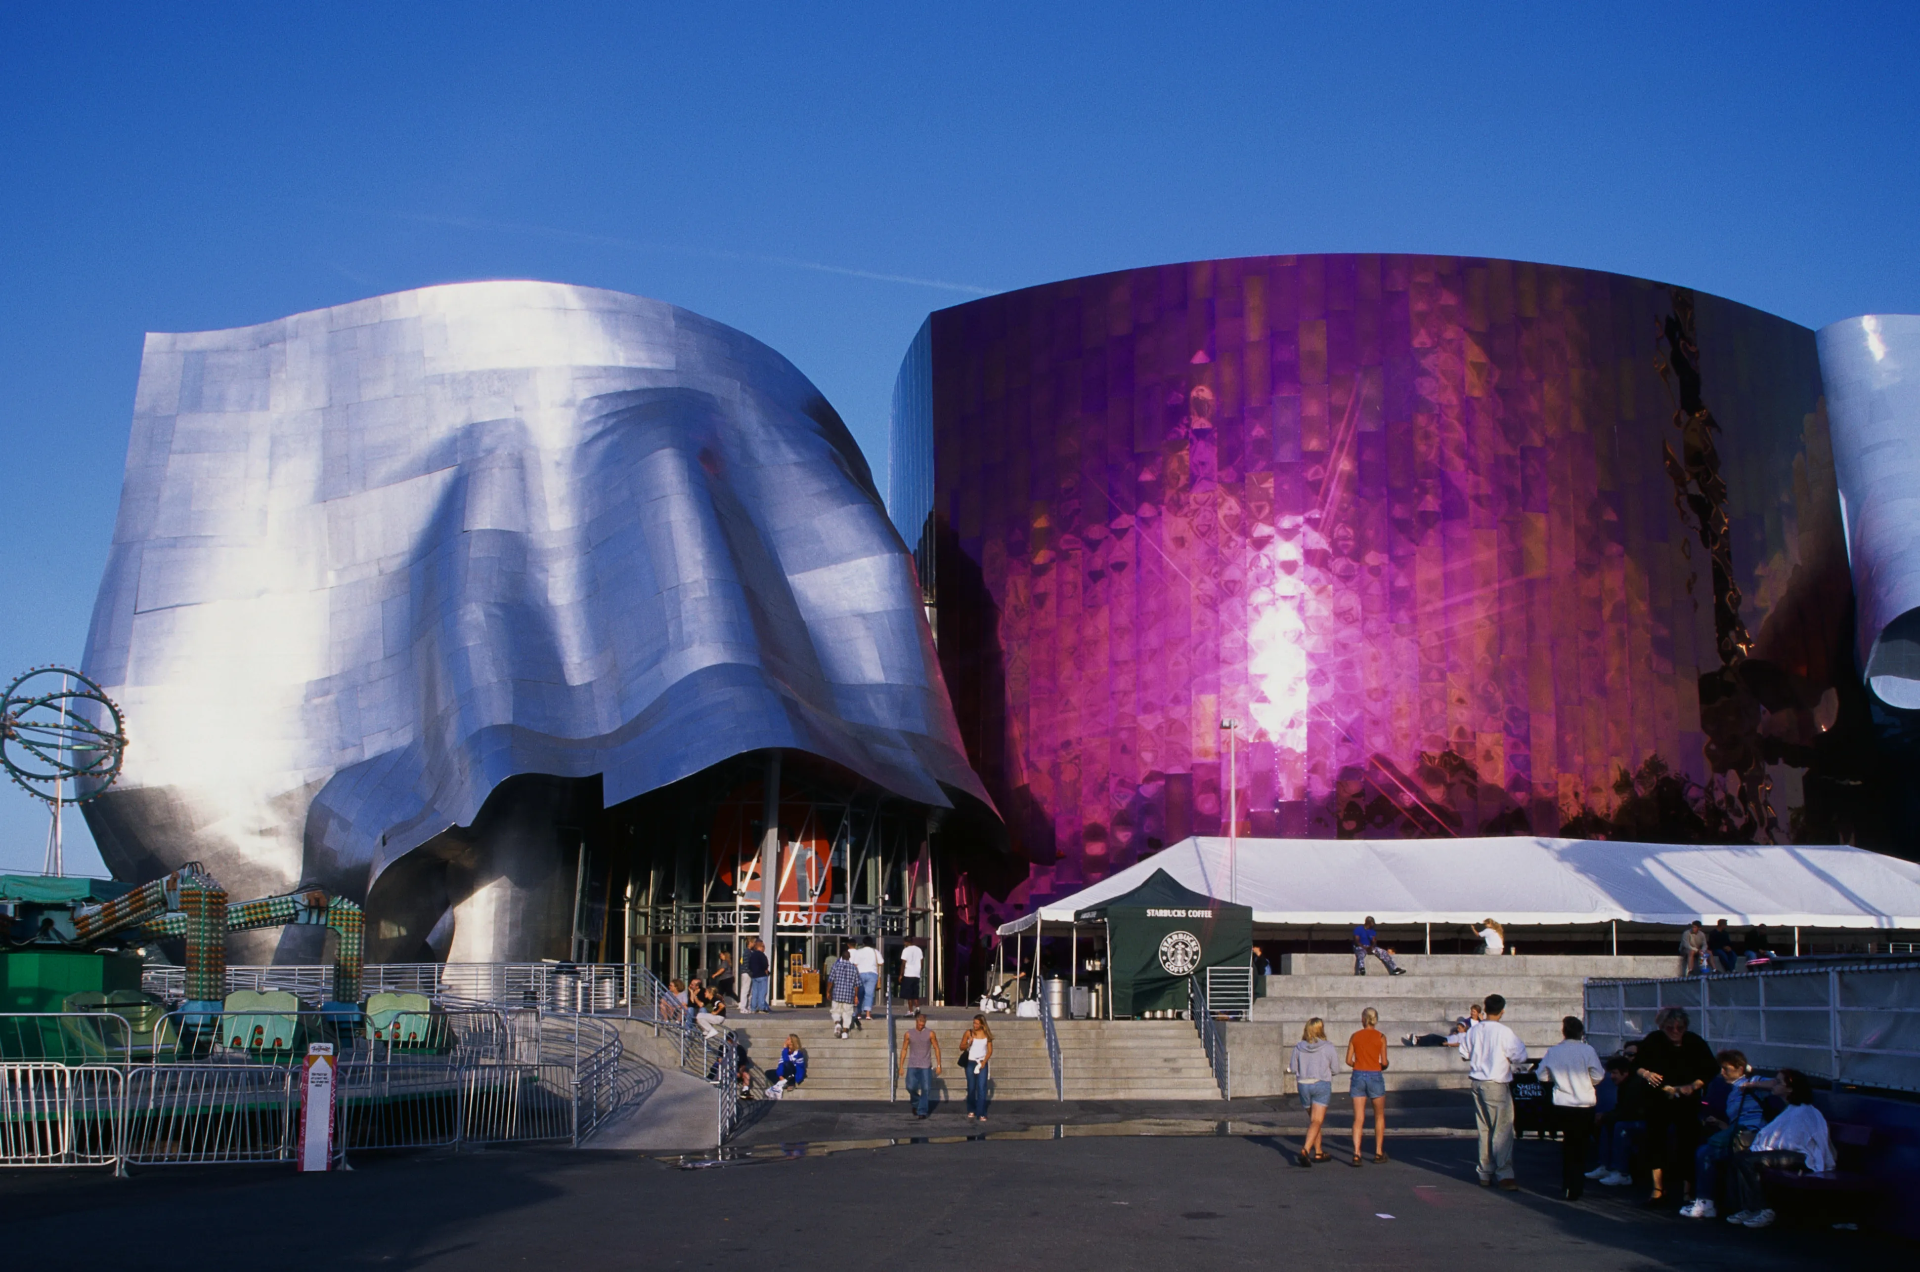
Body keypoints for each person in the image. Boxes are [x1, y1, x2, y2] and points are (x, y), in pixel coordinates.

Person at [1724, 1068, 1835, 1229]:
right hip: (1789, 1153)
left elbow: (1797, 1142)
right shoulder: (1790, 1109)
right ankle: (1749, 1208)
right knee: (1741, 1157)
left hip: (1802, 1157)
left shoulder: (1804, 1111)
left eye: (1778, 1082)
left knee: (1748, 1159)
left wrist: (1767, 1147)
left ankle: (1764, 1209)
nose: (1773, 1084)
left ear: (1790, 1088)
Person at [1634, 1005, 1717, 1207]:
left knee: (1688, 1143)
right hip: (1657, 1100)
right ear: (1662, 1026)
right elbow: (1636, 1065)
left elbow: (1711, 1069)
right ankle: (1658, 1191)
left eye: (1680, 1027)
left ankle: (1688, 1192)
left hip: (1686, 1101)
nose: (1675, 1031)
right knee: (1655, 1143)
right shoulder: (1653, 1040)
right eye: (1670, 1027)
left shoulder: (1695, 1042)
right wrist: (1646, 1074)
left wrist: (1693, 1086)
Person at [1680, 1050, 1770, 1219]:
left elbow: (1776, 1084)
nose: (1722, 1073)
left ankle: (1706, 1202)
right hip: (1737, 1133)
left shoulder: (1752, 1082)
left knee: (1705, 1153)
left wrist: (1751, 1085)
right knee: (1703, 1147)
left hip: (1752, 1135)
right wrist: (1721, 1124)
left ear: (1740, 1069)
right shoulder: (1732, 1092)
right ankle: (1706, 1200)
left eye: (1726, 1069)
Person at [1458, 993, 1527, 1189]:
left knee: (1485, 1128)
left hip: (1477, 1081)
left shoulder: (1475, 1030)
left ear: (1484, 1009)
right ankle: (1504, 1172)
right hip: (1496, 1081)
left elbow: (1463, 1053)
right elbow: (1520, 1056)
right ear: (1502, 1011)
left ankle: (1484, 1171)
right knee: (1503, 1130)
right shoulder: (1504, 1032)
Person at [1537, 1016, 1605, 1200]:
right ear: (1581, 1032)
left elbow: (1541, 1075)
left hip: (1563, 1102)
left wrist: (1554, 1080)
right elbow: (1599, 1075)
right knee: (1580, 1145)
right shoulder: (1588, 1050)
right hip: (1584, 1103)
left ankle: (1567, 1183)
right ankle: (1577, 1186)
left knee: (1568, 1144)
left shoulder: (1554, 1051)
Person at [1589, 1055, 1649, 1186]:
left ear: (1625, 1072)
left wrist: (1605, 1116)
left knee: (1621, 1127)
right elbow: (1621, 1109)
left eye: (1615, 1073)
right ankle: (1605, 1166)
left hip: (1646, 1122)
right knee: (1607, 1124)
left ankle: (1622, 1173)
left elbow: (1630, 1112)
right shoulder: (1624, 1085)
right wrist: (1604, 1117)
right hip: (1634, 1118)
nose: (1612, 1077)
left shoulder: (1635, 1085)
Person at [1288, 1017, 1340, 1167]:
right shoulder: (1328, 1047)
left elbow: (1293, 1067)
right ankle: (1305, 1150)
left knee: (1314, 1121)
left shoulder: (1298, 1047)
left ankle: (1318, 1151)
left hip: (1303, 1085)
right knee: (1317, 1121)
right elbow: (1335, 1069)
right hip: (1321, 1083)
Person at [1345, 1007, 1389, 1164]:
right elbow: (1384, 1062)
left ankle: (1357, 1153)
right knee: (1379, 1115)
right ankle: (1378, 1152)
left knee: (1358, 1118)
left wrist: (1359, 1063)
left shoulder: (1355, 1036)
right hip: (1375, 1074)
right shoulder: (1381, 1037)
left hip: (1358, 1075)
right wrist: (1380, 1065)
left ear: (1363, 1019)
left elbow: (1348, 1060)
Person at [898, 1010, 943, 1119]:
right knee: (910, 1087)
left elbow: (936, 1048)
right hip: (912, 1064)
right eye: (919, 1024)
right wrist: (901, 1066)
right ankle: (916, 1103)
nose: (921, 1026)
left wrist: (939, 1064)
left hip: (925, 1065)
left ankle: (922, 1111)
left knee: (926, 1088)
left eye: (923, 1025)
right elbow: (904, 1049)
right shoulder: (909, 1034)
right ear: (916, 1022)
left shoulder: (930, 1033)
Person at [959, 1015, 994, 1121]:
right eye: (974, 1023)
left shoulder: (987, 1035)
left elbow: (990, 1050)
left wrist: (984, 1062)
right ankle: (971, 1109)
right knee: (972, 1087)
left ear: (982, 1024)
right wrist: (969, 1043)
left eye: (977, 1023)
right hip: (970, 1062)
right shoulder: (969, 1033)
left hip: (982, 1062)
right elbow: (961, 1047)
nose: (975, 1025)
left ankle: (981, 1113)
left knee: (982, 1087)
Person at [827, 942, 862, 1038]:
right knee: (847, 1014)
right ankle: (845, 1032)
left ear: (841, 957)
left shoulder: (835, 966)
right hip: (848, 995)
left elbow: (830, 980)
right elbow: (857, 984)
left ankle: (838, 1023)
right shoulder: (854, 969)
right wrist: (855, 996)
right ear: (849, 957)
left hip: (837, 993)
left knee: (835, 1011)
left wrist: (828, 991)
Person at [850, 937, 882, 1019]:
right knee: (869, 994)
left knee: (859, 994)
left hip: (860, 974)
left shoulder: (858, 951)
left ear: (863, 943)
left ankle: (859, 1013)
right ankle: (868, 1014)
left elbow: (855, 964)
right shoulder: (875, 951)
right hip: (872, 974)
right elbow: (881, 962)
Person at [743, 938, 772, 1013]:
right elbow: (765, 965)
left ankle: (753, 1008)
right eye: (763, 947)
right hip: (762, 975)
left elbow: (749, 965)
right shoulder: (762, 955)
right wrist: (766, 971)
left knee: (755, 993)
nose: (764, 948)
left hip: (754, 976)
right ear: (760, 947)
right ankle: (762, 1007)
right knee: (762, 992)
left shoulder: (752, 955)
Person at [899, 939, 926, 1011]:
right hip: (916, 974)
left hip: (908, 974)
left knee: (909, 995)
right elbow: (922, 961)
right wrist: (919, 970)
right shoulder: (919, 949)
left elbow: (903, 963)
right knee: (915, 993)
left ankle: (910, 1011)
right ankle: (917, 1008)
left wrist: (901, 974)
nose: (904, 943)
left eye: (904, 942)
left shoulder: (906, 950)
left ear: (907, 942)